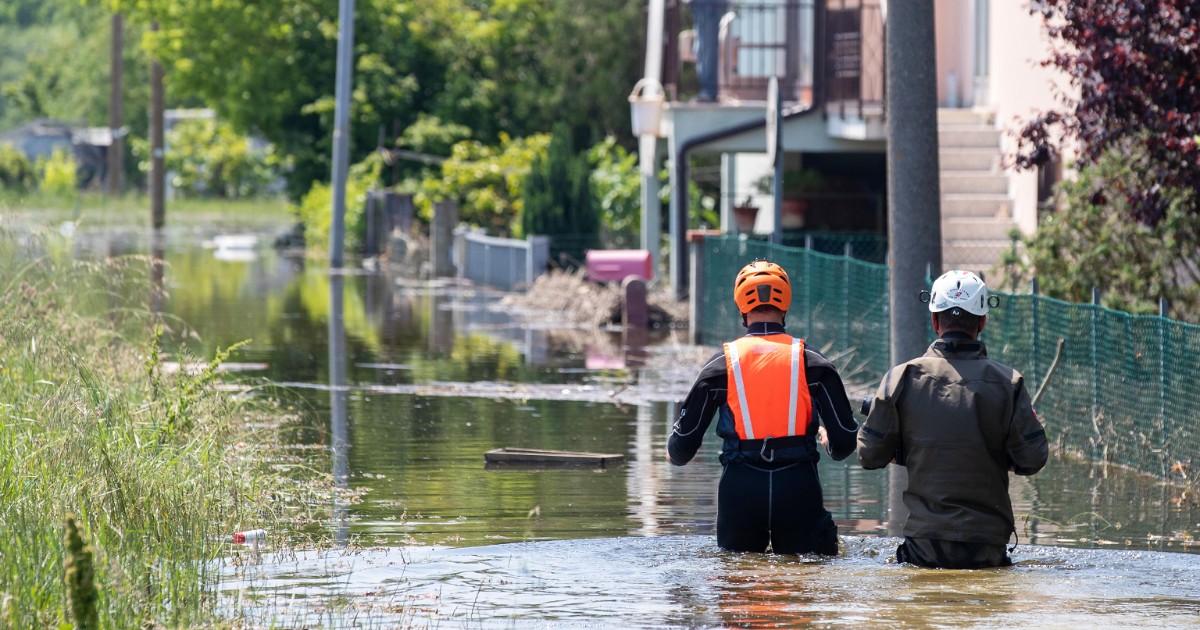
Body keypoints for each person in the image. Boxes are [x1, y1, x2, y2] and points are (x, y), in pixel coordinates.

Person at [858, 270, 1049, 569]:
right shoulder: (1010, 383)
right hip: (987, 547)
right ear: (983, 322)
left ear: (935, 321)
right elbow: (1033, 460)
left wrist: (910, 450)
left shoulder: (901, 378)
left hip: (924, 547)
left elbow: (869, 456)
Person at [668, 260, 859, 554]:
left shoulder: (720, 366)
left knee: (737, 582)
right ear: (786, 306)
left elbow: (681, 450)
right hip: (798, 485)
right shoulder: (814, 363)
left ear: (741, 308)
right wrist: (828, 442)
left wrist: (672, 449)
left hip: (741, 488)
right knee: (805, 582)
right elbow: (846, 441)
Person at [686, 0, 728, 102]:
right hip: (701, 5)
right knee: (701, 50)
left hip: (708, 5)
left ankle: (709, 91)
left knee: (707, 49)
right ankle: (707, 90)